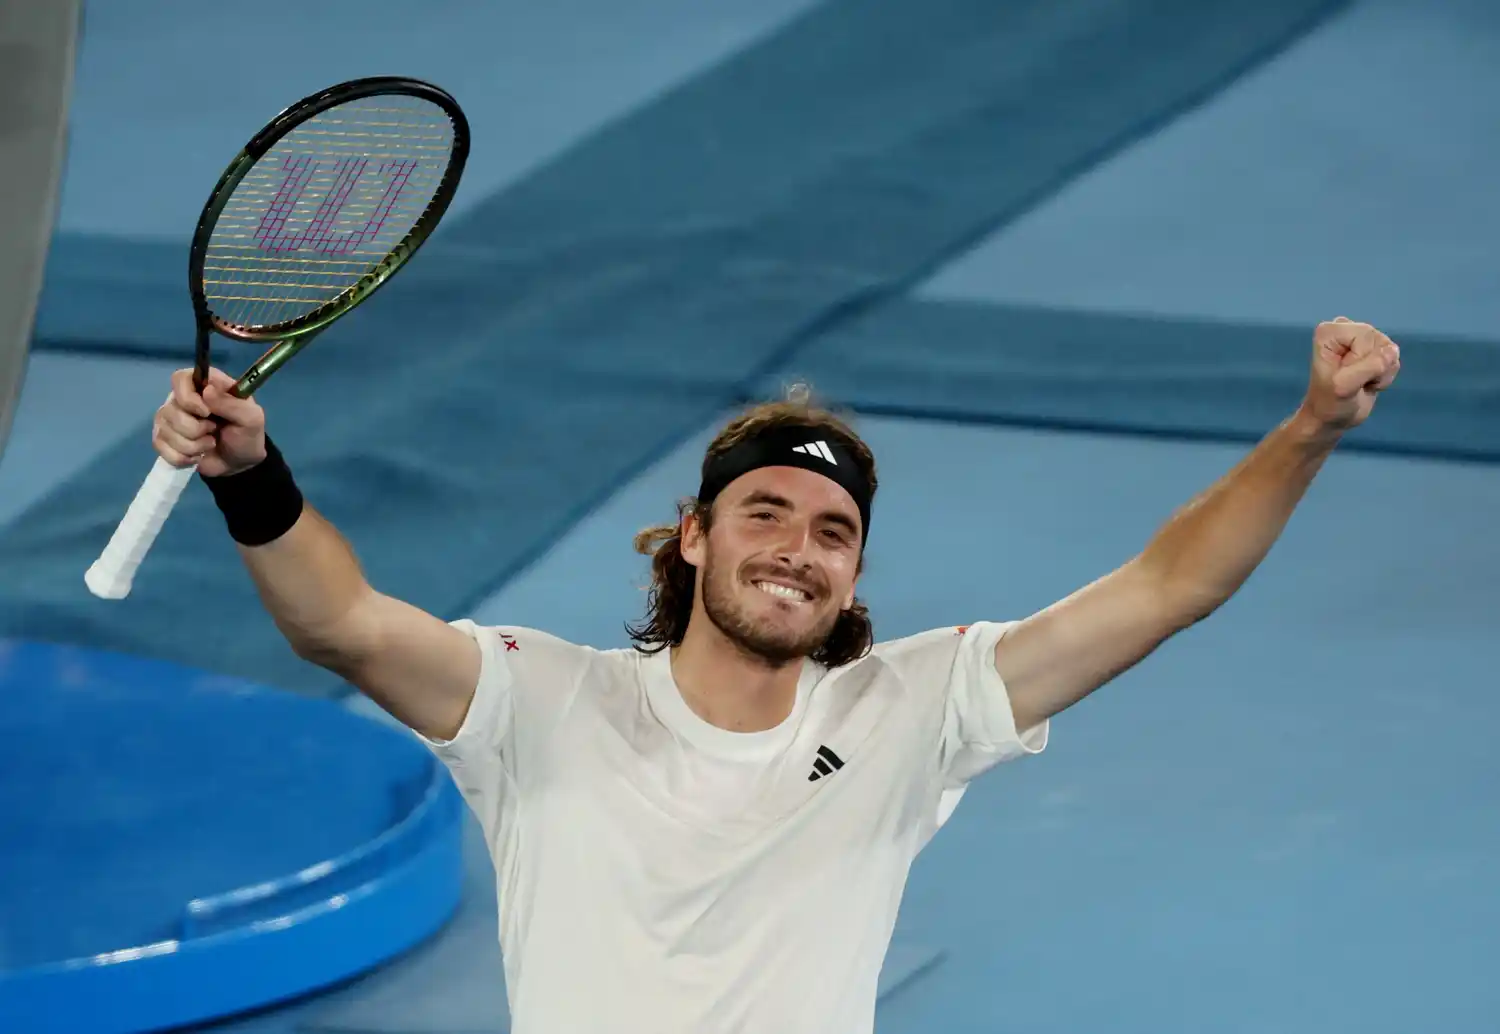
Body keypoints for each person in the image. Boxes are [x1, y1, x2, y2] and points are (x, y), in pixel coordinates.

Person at [153, 317, 1400, 1033]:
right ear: (693, 533)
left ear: (855, 578)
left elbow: (1168, 585)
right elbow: (346, 625)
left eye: (833, 530)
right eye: (765, 511)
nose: (797, 548)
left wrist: (1309, 430)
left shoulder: (915, 707)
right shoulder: (538, 699)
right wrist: (252, 476)